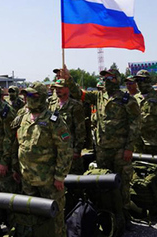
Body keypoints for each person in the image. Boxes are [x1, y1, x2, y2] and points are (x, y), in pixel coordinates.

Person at [61, 67, 141, 228]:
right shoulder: (98, 97)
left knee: (123, 182)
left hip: (120, 150)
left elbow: (135, 125)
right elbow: (78, 93)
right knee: (104, 181)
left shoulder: (127, 100)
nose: (106, 81)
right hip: (103, 150)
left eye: (110, 78)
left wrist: (129, 148)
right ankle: (107, 212)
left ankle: (124, 215)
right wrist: (68, 78)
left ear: (117, 80)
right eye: (104, 78)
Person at [16, 82, 72, 236]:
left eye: (32, 95)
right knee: (33, 219)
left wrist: (60, 176)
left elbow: (65, 149)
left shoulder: (53, 120)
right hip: (28, 179)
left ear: (41, 97)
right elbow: (20, 145)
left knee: (55, 220)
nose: (28, 99)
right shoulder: (24, 118)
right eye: (27, 95)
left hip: (48, 181)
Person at [48, 78, 86, 174]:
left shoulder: (75, 106)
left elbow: (80, 130)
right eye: (56, 88)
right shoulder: (51, 105)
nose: (57, 90)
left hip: (70, 150)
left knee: (74, 180)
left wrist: (77, 150)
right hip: (55, 150)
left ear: (67, 89)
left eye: (60, 88)